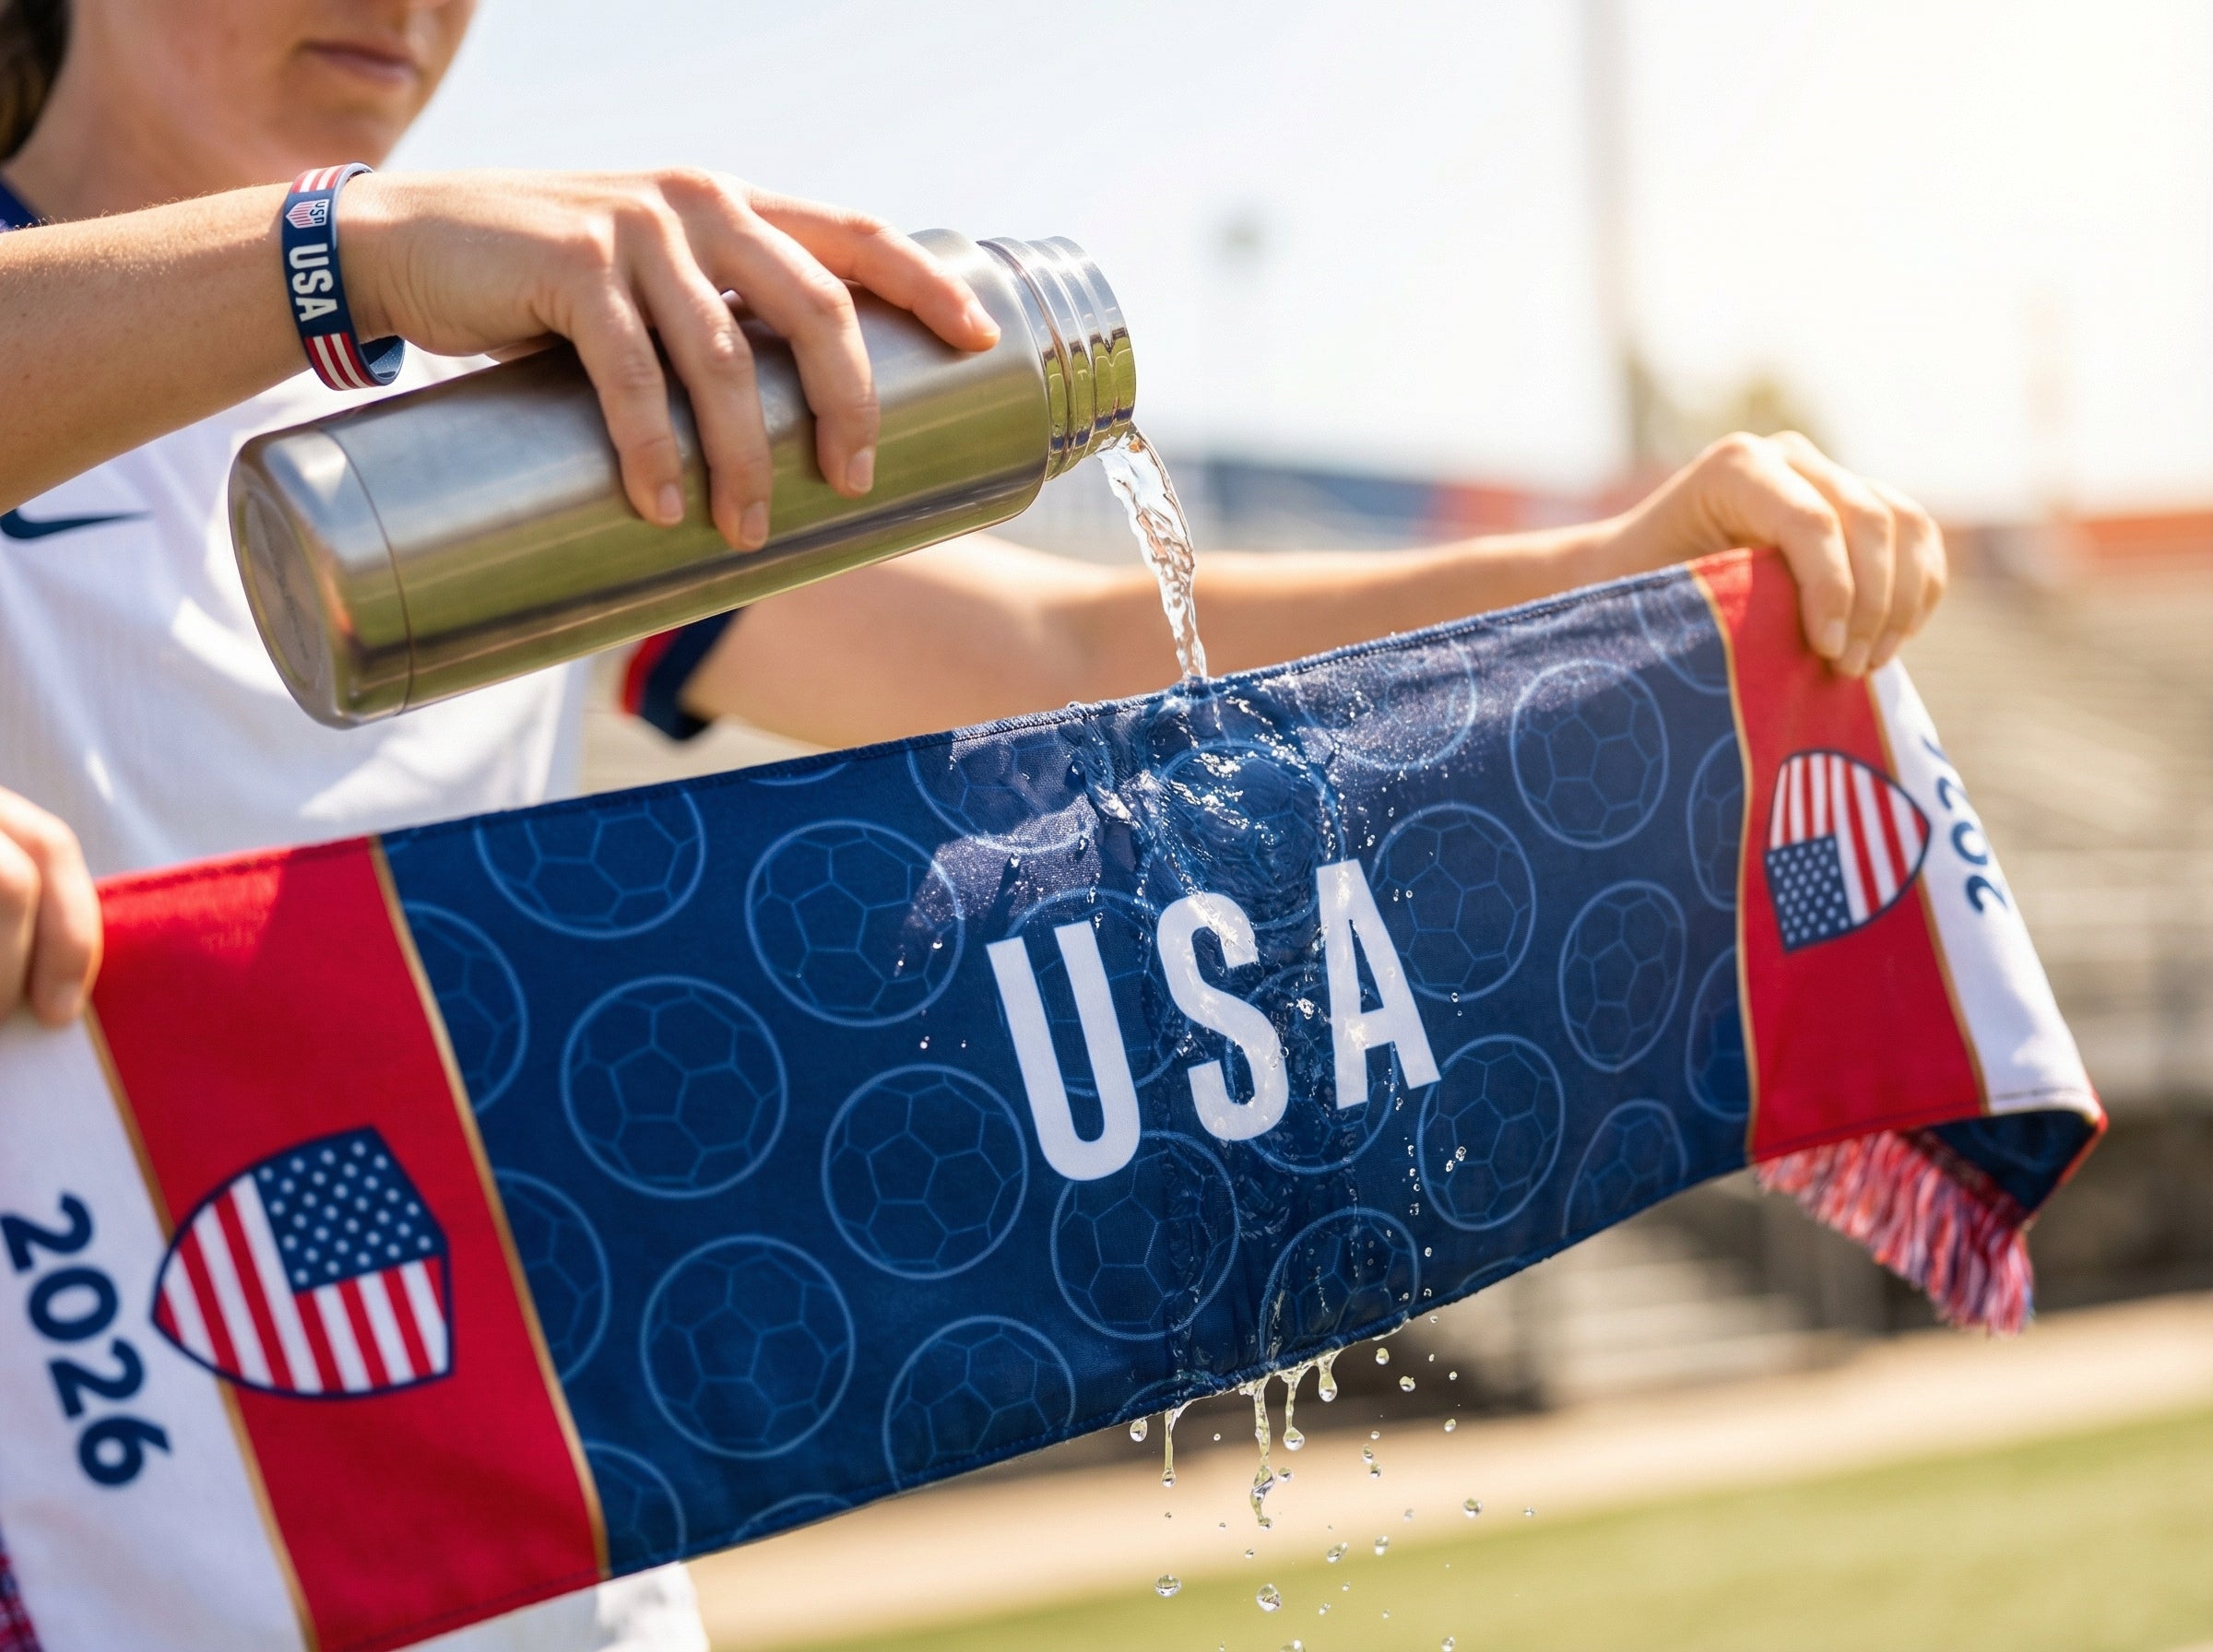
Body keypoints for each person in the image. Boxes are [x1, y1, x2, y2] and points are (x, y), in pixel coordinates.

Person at [0, 1, 1947, 1646]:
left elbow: (1056, 652)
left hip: (528, 1550)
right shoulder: (271, 294)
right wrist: (340, 250)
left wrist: (1617, 572)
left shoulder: (484, 404)